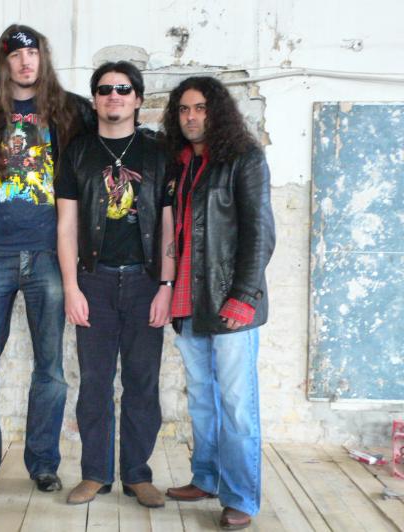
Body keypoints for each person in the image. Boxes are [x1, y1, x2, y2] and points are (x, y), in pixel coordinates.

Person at [0, 24, 95, 495]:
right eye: (16, 55)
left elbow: (116, 135)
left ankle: (43, 462)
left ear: (43, 58)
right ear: (4, 62)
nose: (25, 62)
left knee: (51, 370)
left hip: (49, 255)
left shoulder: (72, 110)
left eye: (33, 53)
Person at [56, 61, 174, 508]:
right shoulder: (78, 153)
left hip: (145, 281)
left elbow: (168, 223)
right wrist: (72, 287)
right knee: (94, 383)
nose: (114, 96)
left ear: (138, 99)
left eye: (124, 89)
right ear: (94, 99)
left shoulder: (158, 152)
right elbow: (66, 226)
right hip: (95, 280)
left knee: (143, 382)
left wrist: (166, 285)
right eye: (105, 89)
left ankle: (138, 475)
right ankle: (95, 473)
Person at [162, 76, 275, 530]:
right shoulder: (181, 163)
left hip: (231, 303)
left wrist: (244, 297)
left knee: (236, 404)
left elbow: (260, 233)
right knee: (202, 401)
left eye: (201, 108)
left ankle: (241, 497)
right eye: (184, 109)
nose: (191, 117)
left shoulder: (244, 159)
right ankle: (206, 478)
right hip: (189, 302)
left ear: (218, 112)